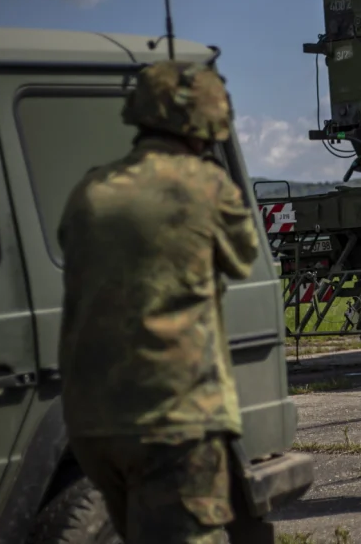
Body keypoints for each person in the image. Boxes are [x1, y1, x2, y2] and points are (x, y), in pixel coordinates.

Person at [56, 60, 260, 543]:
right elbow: (243, 255)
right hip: (174, 417)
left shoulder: (89, 189)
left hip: (91, 422)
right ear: (210, 119)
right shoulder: (205, 186)